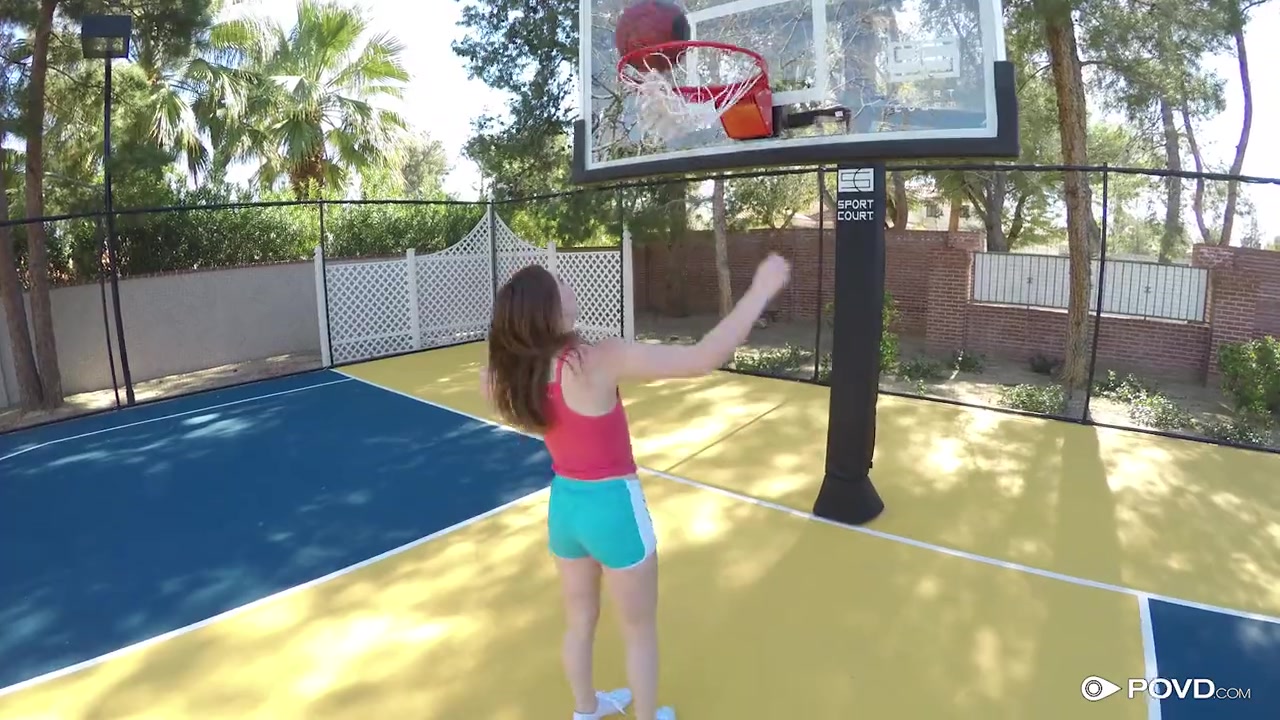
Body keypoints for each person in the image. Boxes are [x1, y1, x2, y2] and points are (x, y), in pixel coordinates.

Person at [480, 253, 791, 720]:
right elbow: (702, 358)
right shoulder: (598, 359)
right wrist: (760, 291)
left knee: (579, 622)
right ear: (548, 306)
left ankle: (586, 709)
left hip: (565, 508)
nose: (568, 283)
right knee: (639, 632)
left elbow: (497, 360)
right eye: (559, 280)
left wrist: (510, 324)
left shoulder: (514, 376)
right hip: (613, 510)